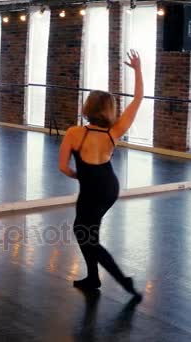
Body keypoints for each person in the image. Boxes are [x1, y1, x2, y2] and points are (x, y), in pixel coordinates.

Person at [58, 50, 143, 297]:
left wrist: (78, 176)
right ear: (109, 110)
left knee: (85, 234)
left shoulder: (75, 132)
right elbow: (138, 99)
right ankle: (93, 278)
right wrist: (137, 70)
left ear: (88, 107)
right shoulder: (114, 131)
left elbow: (63, 167)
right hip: (109, 187)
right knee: (87, 232)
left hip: (91, 189)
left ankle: (122, 280)